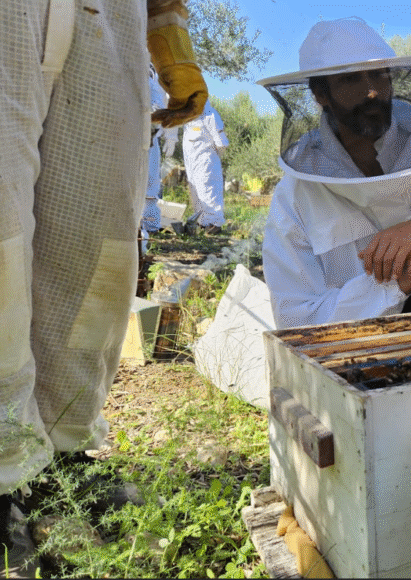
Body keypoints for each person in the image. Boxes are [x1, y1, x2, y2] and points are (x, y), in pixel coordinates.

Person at [0, 0, 207, 575]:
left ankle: (61, 450)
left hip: (112, 18)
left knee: (97, 245)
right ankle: (3, 475)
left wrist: (172, 46)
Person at [258, 18, 411, 330]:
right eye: (351, 80)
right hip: (356, 345)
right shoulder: (294, 196)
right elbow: (296, 318)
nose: (372, 92)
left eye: (379, 75)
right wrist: (392, 285)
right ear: (320, 94)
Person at [140, 65, 180, 241]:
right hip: (128, 137)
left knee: (151, 182)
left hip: (151, 138)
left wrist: (171, 136)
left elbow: (169, 106)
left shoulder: (159, 83)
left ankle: (149, 225)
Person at [179, 99, 229, 235]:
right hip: (192, 163)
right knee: (196, 192)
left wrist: (212, 158)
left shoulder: (210, 114)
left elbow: (222, 143)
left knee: (208, 190)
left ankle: (214, 223)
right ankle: (203, 222)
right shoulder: (188, 119)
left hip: (207, 162)